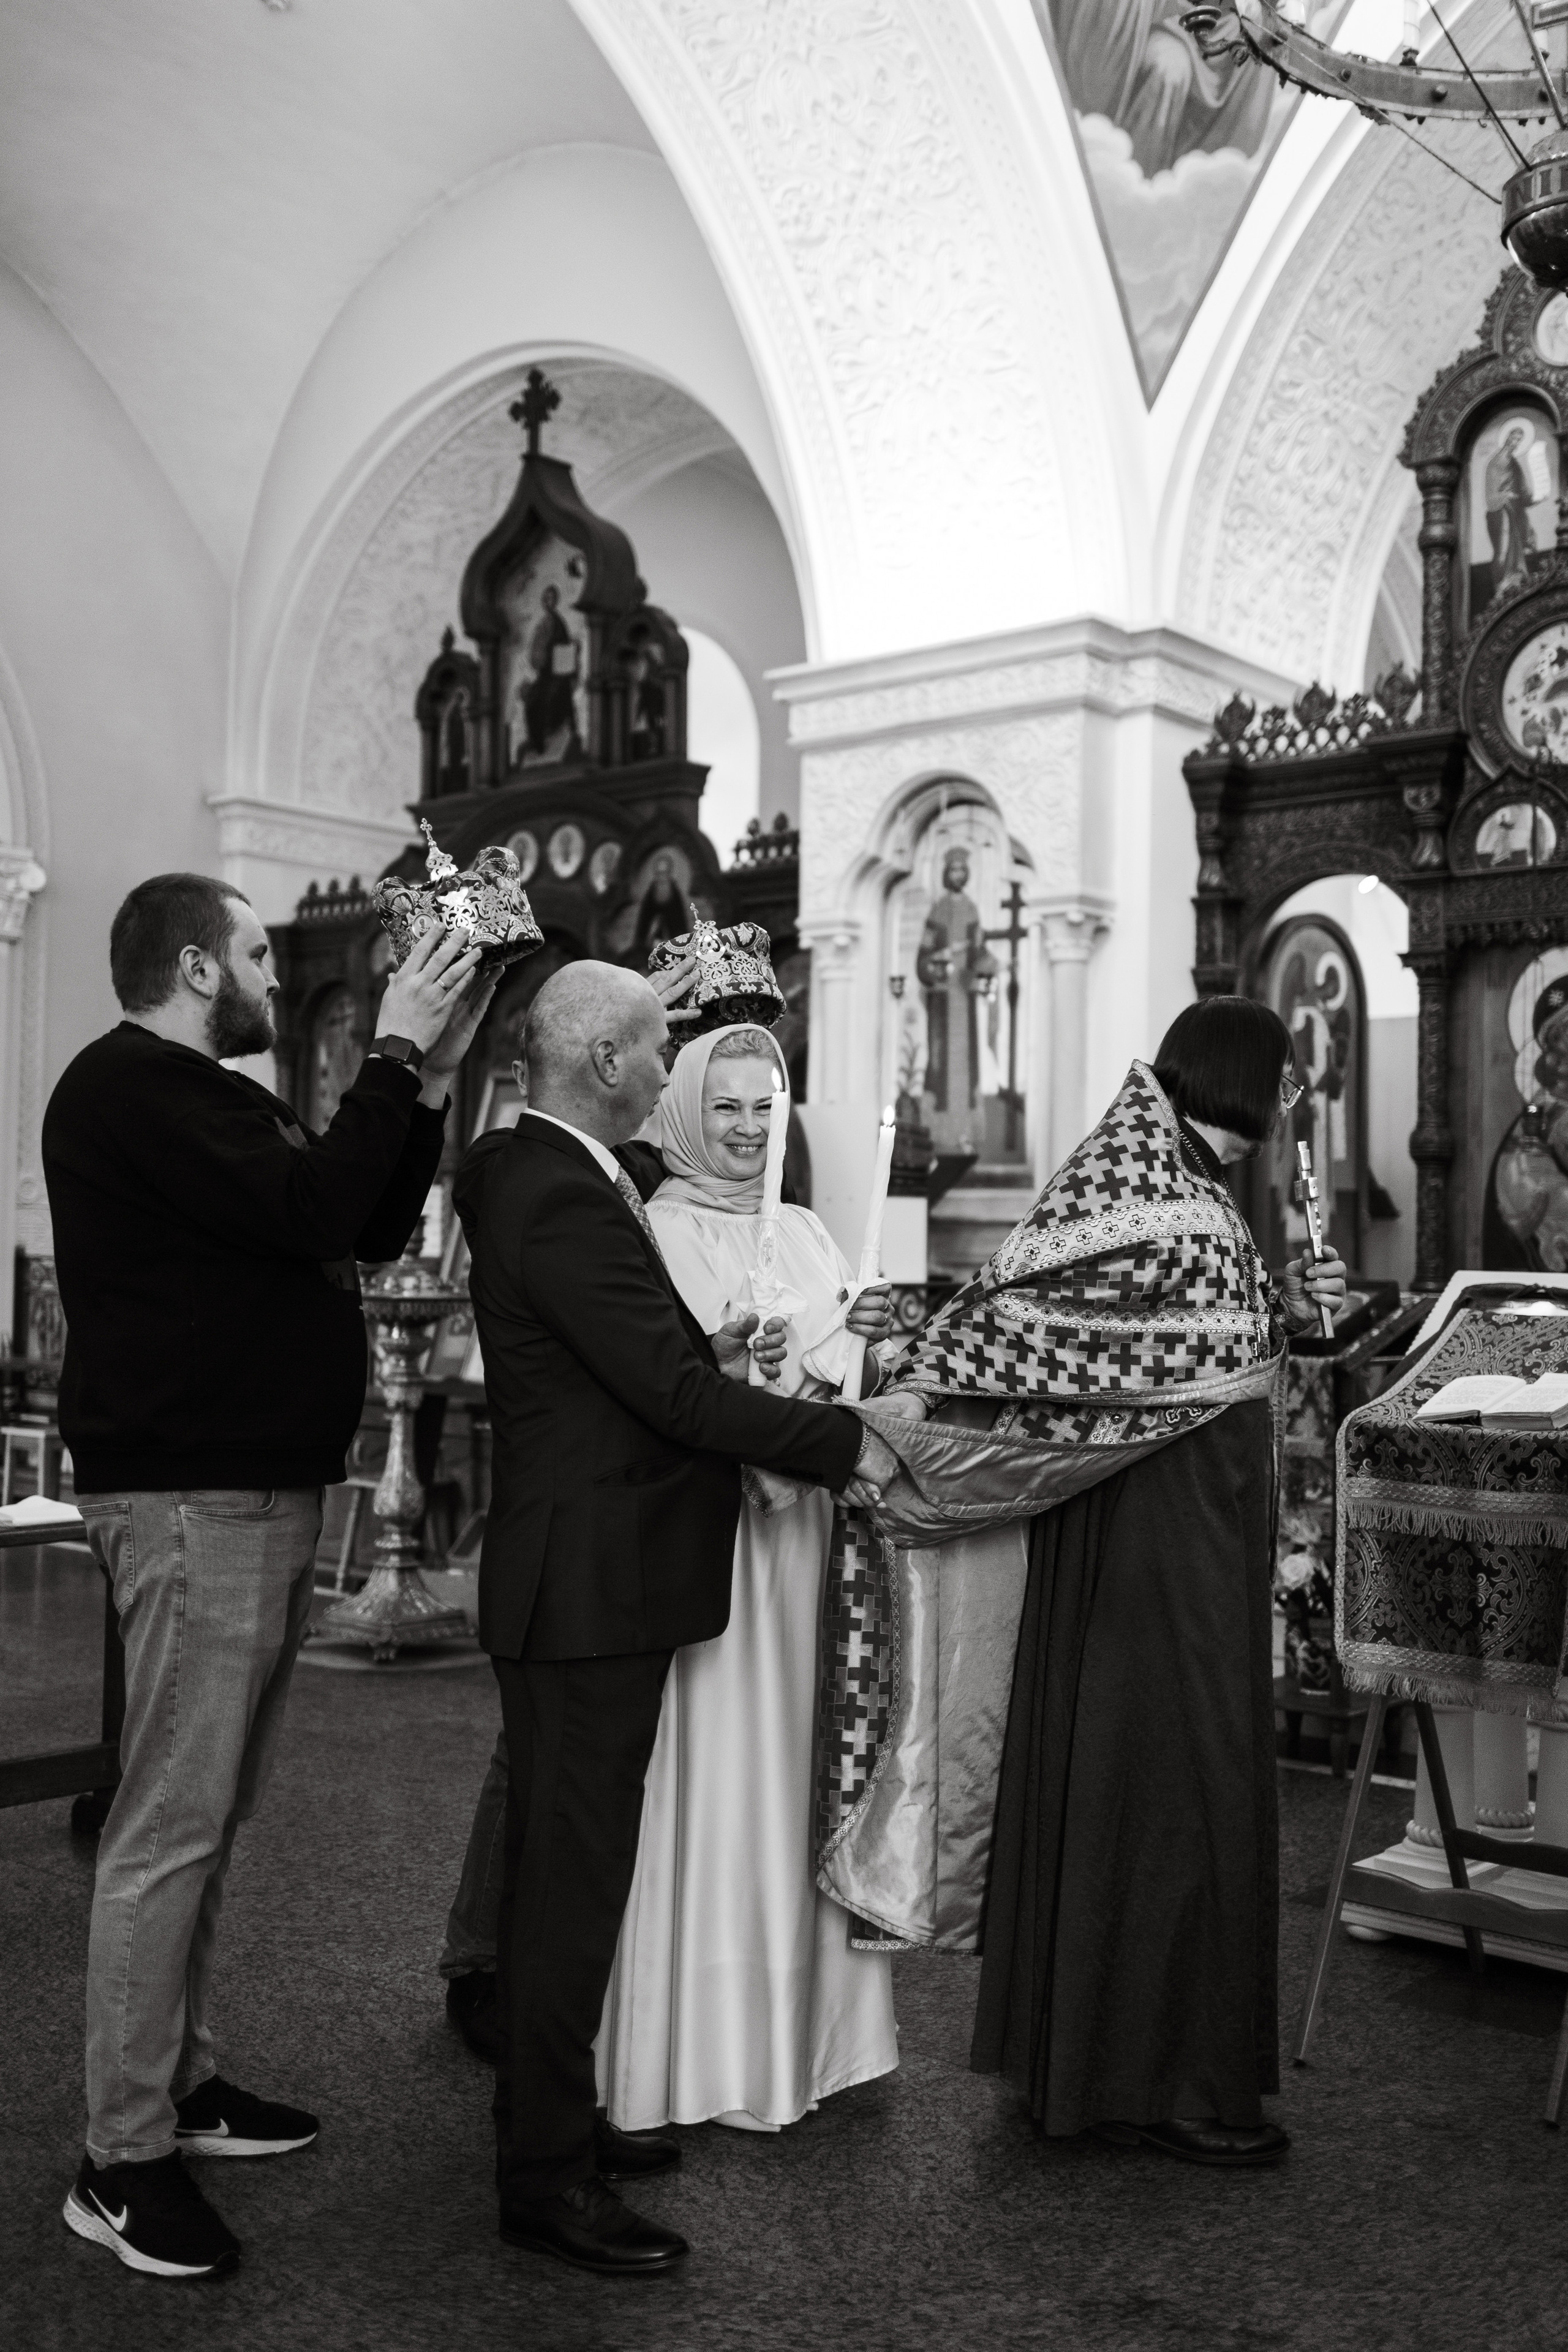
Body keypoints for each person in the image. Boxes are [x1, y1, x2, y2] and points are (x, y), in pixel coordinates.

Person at [45, 874, 496, 2280]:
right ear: (194, 965)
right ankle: (118, 2159)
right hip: (193, 1497)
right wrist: (398, 1053)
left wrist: (426, 1083)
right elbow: (314, 1203)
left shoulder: (209, 1097)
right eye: (251, 952)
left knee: (211, 1810)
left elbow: (356, 1222)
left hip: (248, 1488)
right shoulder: (132, 1086)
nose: (266, 974)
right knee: (169, 1826)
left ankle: (180, 2084)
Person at [452, 962, 893, 2278]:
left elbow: (670, 1374)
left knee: (563, 1872)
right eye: (654, 1049)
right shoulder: (563, 1193)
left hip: (582, 1570)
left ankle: (555, 2118)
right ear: (601, 1060)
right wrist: (853, 1442)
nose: (669, 1069)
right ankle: (544, 2178)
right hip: (590, 1582)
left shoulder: (541, 1175)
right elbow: (673, 1398)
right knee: (573, 1887)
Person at [873, 998, 1346, 2166]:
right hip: (1155, 1538)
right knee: (1176, 1779)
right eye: (1280, 1082)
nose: (1288, 1108)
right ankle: (1162, 2080)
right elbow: (1055, 1325)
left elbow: (1187, 1331)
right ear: (1240, 1079)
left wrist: (1301, 1315)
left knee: (1146, 1770)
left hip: (1172, 1522)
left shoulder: (1172, 1170)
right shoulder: (1158, 1182)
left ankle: (1090, 2062)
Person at [594, 1025, 900, 2135]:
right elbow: (682, 1389)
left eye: (765, 1104)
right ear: (682, 1111)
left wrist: (861, 1341)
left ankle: (813, 2042)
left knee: (801, 1770)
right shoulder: (661, 1232)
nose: (747, 1127)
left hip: (808, 1540)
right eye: (724, 1105)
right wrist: (755, 1366)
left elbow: (839, 1386)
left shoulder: (812, 1232)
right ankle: (711, 2048)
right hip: (720, 1541)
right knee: (723, 1766)